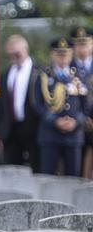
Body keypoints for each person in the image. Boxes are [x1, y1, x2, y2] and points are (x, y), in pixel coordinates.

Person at [30, 36, 88, 177]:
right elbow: (37, 104)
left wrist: (77, 121)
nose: (63, 57)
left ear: (71, 54)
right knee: (47, 177)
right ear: (53, 54)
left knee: (73, 178)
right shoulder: (43, 75)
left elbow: (86, 105)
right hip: (50, 134)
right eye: (59, 53)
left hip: (74, 136)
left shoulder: (80, 75)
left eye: (66, 53)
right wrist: (55, 121)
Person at [0, 34, 42, 171]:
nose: (14, 57)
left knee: (36, 168)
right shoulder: (6, 74)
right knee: (11, 168)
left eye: (17, 54)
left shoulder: (39, 72)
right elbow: (0, 106)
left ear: (26, 49)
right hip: (11, 129)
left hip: (33, 128)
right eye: (10, 55)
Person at [71, 26, 93, 177]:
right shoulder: (66, 67)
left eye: (85, 43)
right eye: (78, 44)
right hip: (75, 125)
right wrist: (81, 118)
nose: (82, 48)